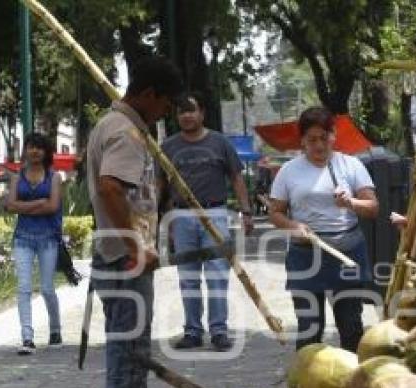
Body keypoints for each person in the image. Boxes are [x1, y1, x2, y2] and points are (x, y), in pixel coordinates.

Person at [87, 56, 183, 388]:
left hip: (121, 258)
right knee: (130, 353)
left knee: (130, 349)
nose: (166, 113)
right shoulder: (124, 132)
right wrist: (136, 245)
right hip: (124, 262)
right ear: (148, 95)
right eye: (165, 104)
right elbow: (110, 188)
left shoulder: (120, 126)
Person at [269, 106, 379, 352]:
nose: (319, 145)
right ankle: (305, 384)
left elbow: (372, 208)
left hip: (347, 253)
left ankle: (354, 383)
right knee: (310, 326)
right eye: (311, 140)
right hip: (305, 255)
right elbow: (275, 212)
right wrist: (293, 226)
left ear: (333, 135)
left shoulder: (351, 165)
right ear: (302, 141)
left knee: (351, 325)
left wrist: (350, 202)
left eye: (324, 137)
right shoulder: (289, 170)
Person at [160, 92, 254, 352]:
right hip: (181, 217)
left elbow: (236, 178)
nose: (187, 116)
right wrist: (164, 221)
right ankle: (192, 331)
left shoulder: (220, 143)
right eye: (181, 111)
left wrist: (246, 212)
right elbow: (161, 187)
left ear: (202, 113)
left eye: (191, 110)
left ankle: (219, 331)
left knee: (217, 275)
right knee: (188, 277)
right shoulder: (168, 147)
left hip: (215, 214)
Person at [5, 132, 63, 355]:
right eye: (31, 147)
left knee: (48, 289)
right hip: (23, 238)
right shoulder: (16, 177)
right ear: (25, 150)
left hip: (48, 239)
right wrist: (39, 201)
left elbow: (53, 206)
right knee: (23, 288)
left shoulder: (54, 177)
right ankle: (27, 338)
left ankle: (55, 330)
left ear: (46, 151)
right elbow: (10, 206)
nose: (35, 151)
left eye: (39, 147)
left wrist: (24, 206)